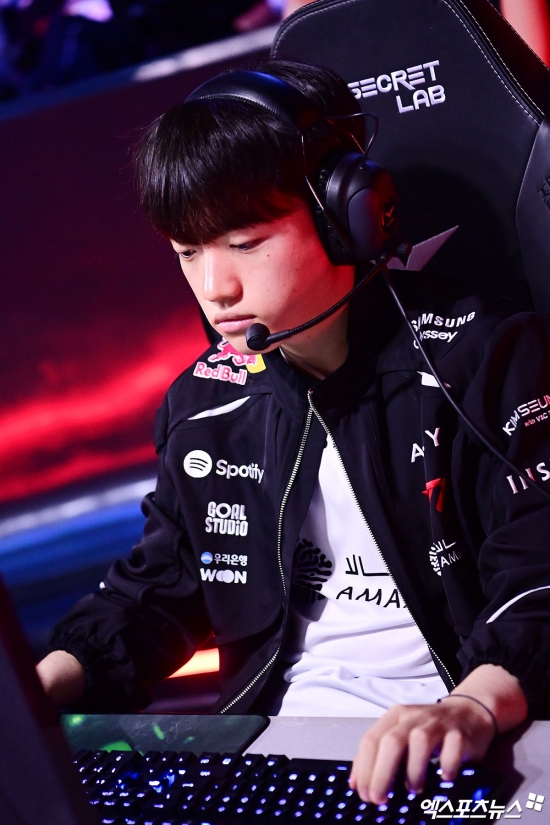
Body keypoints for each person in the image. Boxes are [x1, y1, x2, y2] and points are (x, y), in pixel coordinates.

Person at [37, 59, 550, 805]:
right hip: (272, 754)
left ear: (347, 218)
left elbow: (539, 574)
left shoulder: (488, 359)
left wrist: (471, 706)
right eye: (188, 253)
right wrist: (38, 690)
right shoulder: (205, 403)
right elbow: (160, 590)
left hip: (462, 737)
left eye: (245, 243)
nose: (215, 288)